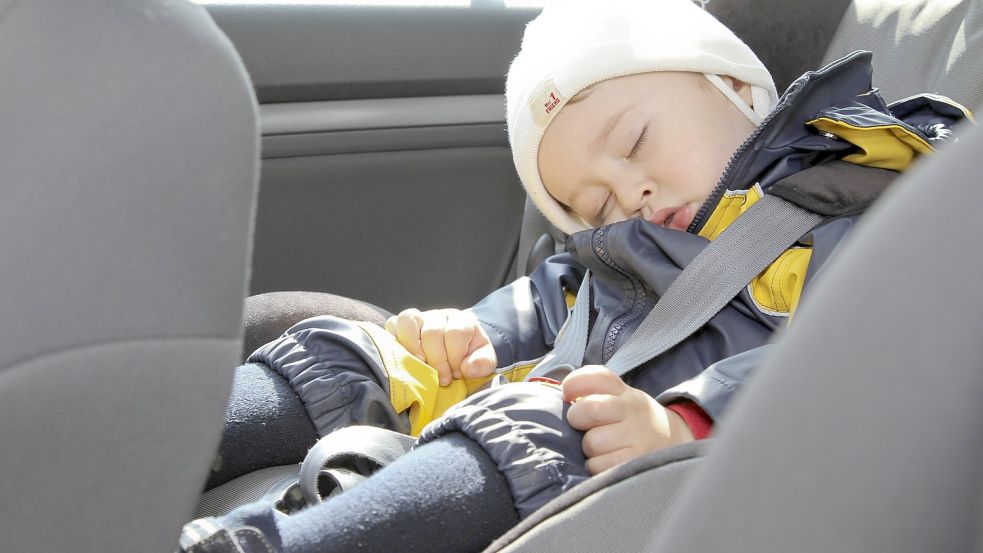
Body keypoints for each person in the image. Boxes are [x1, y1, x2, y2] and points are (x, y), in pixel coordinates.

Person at [181, 1, 970, 551]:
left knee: (542, 420)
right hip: (548, 441)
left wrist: (689, 423)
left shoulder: (850, 197)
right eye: (587, 204)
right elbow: (525, 315)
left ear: (734, 88)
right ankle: (138, 449)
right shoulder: (607, 262)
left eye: (633, 143)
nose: (626, 194)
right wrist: (457, 339)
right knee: (369, 352)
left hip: (717, 470)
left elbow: (865, 364)